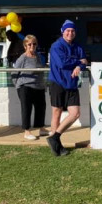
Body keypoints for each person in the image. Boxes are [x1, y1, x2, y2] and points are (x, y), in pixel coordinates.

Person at [47, 20, 88, 156]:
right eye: (68, 31)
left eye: (72, 31)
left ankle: (54, 137)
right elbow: (62, 63)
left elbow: (85, 61)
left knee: (75, 113)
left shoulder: (78, 47)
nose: (70, 33)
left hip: (72, 84)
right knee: (57, 113)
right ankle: (57, 146)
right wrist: (78, 62)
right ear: (62, 32)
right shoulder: (56, 46)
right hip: (57, 83)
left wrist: (79, 66)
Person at [11, 35, 47, 141]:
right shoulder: (22, 58)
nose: (32, 46)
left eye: (34, 44)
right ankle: (27, 132)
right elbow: (14, 73)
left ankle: (41, 128)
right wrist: (18, 86)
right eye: (29, 44)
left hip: (39, 86)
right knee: (27, 109)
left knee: (41, 107)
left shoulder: (38, 56)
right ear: (25, 46)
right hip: (25, 87)